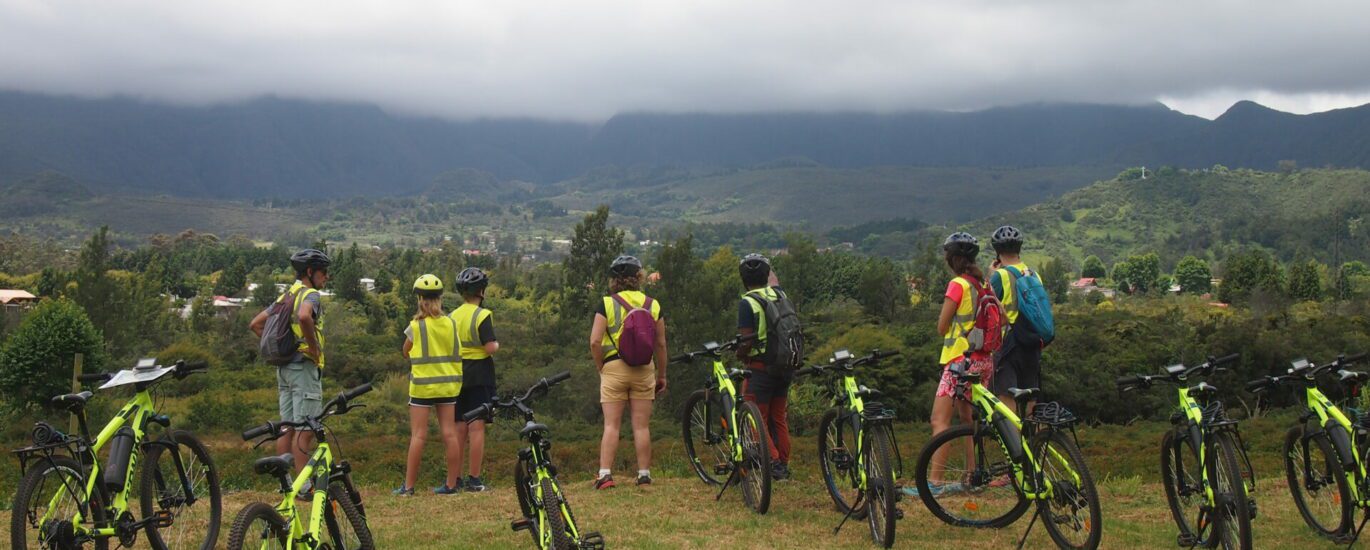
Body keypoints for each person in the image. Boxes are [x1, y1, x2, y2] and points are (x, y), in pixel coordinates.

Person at [909, 232, 994, 496]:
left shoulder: (957, 285)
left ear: (952, 259)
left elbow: (941, 326)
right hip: (983, 361)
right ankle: (972, 477)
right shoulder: (983, 285)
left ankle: (934, 483)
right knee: (968, 419)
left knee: (939, 421)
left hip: (959, 362)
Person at [589, 256, 667, 489]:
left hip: (614, 368)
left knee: (611, 424)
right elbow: (661, 344)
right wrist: (662, 375)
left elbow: (594, 341)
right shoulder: (653, 304)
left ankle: (605, 475)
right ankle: (643, 475)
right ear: (640, 277)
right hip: (644, 369)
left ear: (614, 280)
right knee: (641, 425)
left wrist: (601, 367)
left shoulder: (606, 303)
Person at [249, 248, 330, 475]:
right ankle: (303, 485)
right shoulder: (310, 294)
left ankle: (285, 484)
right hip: (303, 369)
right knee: (306, 428)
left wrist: (283, 349)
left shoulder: (286, 295)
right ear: (311, 271)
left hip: (283, 369)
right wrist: (312, 348)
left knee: (286, 428)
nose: (327, 276)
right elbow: (305, 316)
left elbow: (255, 324)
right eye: (323, 272)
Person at [396, 274, 464, 496]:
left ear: (420, 300)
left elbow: (405, 351)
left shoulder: (416, 326)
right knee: (450, 434)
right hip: (447, 386)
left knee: (418, 435)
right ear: (440, 298)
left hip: (423, 388)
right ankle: (452, 485)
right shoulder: (451, 324)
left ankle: (408, 487)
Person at [735, 254, 793, 481]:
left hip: (760, 368)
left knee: (755, 417)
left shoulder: (747, 302)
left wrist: (740, 354)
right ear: (767, 275)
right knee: (778, 417)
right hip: (784, 366)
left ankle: (774, 463)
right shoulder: (780, 294)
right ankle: (783, 463)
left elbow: (746, 340)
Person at [451, 267, 499, 492]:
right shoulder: (483, 315)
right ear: (481, 291)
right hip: (480, 375)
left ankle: (455, 479)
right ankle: (475, 479)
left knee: (458, 428)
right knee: (476, 428)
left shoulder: (452, 316)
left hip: (458, 375)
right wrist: (496, 345)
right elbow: (490, 347)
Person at [988, 225, 1044, 413]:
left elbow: (989, 309)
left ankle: (1013, 442)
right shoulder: (1034, 274)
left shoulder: (1000, 275)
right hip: (1034, 341)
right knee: (1030, 398)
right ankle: (1036, 441)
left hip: (1010, 343)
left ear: (997, 252)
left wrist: (990, 276)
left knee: (1006, 397)